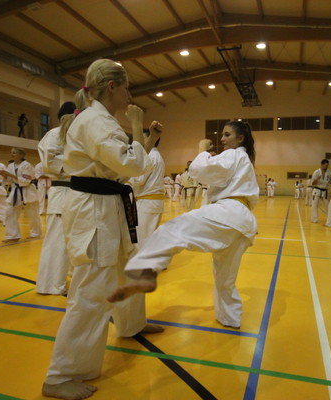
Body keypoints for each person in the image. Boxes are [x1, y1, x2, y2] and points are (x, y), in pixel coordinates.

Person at [42, 59, 164, 400]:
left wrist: (148, 137)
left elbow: (127, 166)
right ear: (112, 86)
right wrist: (137, 125)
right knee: (91, 290)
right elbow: (132, 165)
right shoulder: (95, 120)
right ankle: (62, 375)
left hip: (108, 205)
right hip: (94, 209)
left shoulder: (101, 120)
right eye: (126, 88)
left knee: (127, 270)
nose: (129, 95)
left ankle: (131, 324)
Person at [108, 120, 258, 331]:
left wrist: (202, 150)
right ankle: (230, 318)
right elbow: (215, 177)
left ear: (240, 138)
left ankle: (143, 275)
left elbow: (200, 169)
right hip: (243, 223)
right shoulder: (244, 160)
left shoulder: (234, 154)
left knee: (169, 231)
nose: (222, 139)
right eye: (223, 135)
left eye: (227, 135)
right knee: (225, 279)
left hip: (228, 214)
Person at [35, 101, 76, 296]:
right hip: (62, 191)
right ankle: (50, 285)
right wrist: (79, 165)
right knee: (57, 240)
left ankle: (69, 276)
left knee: (73, 240)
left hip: (75, 192)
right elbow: (49, 163)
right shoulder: (54, 134)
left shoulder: (74, 136)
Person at [0, 148, 42, 242]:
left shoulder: (27, 165)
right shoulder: (10, 166)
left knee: (33, 214)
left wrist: (10, 175)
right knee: (9, 212)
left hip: (28, 190)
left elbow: (26, 181)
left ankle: (35, 233)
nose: (12, 154)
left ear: (22, 155)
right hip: (16, 190)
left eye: (14, 153)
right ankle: (13, 235)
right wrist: (5, 175)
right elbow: (9, 181)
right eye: (11, 153)